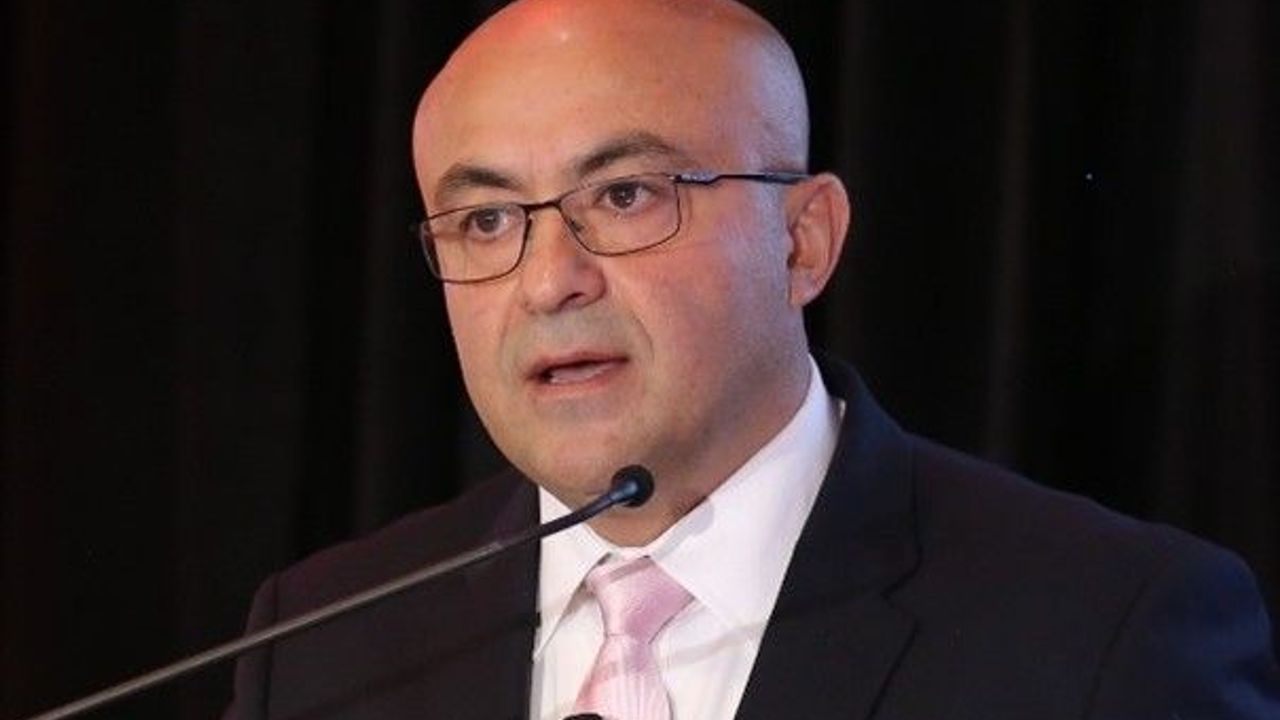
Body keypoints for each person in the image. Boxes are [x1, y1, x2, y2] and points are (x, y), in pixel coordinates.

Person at [225, 0, 1280, 718]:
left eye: (624, 196)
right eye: (486, 220)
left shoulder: (1105, 631)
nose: (547, 282)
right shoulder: (320, 649)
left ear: (803, 241)